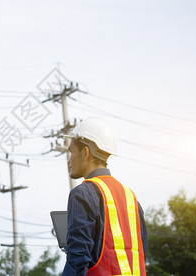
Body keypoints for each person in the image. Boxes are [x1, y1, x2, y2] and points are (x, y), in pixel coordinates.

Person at [62, 117, 147, 276]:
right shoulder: (131, 198)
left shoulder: (82, 194)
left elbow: (77, 259)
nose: (69, 160)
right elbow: (141, 255)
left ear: (85, 152)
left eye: (71, 151)